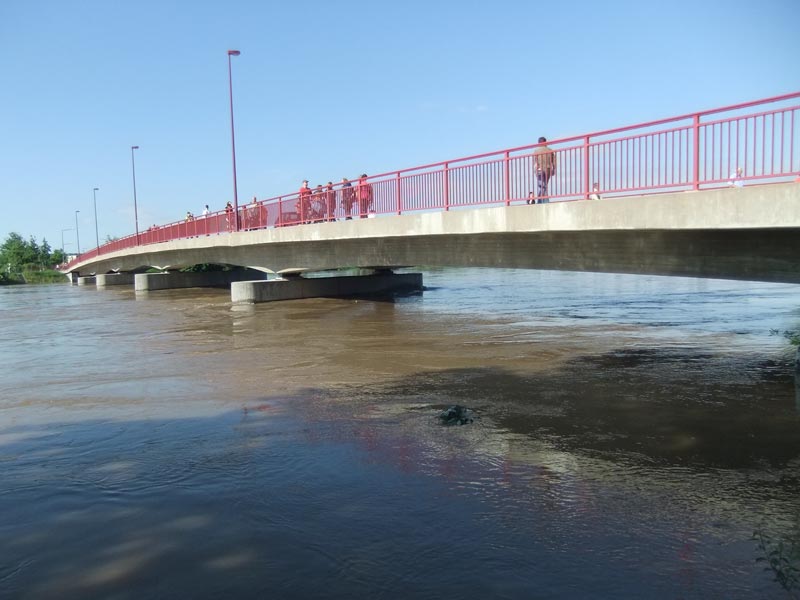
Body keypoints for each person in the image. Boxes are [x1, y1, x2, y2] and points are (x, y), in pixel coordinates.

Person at [533, 136, 556, 202]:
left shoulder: (536, 151)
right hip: (548, 169)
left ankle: (542, 201)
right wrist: (553, 169)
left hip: (539, 169)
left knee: (541, 185)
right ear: (546, 142)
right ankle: (545, 200)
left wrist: (535, 171)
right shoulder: (550, 150)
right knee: (545, 184)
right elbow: (553, 161)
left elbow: (535, 161)